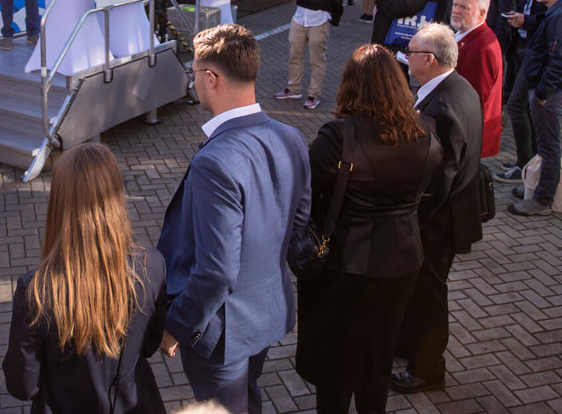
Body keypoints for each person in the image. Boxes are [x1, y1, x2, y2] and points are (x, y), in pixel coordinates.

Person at [157, 24, 310, 414]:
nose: (194, 84)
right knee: (248, 397)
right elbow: (298, 221)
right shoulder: (291, 136)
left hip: (222, 331)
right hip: (267, 312)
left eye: (194, 74)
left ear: (211, 78)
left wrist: (176, 325)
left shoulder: (214, 161)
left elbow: (217, 270)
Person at [296, 45, 441, 414]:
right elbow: (432, 190)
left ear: (350, 84)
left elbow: (304, 194)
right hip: (403, 262)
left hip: (345, 265)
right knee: (378, 358)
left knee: (336, 368)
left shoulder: (338, 136)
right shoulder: (426, 132)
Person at [4, 142, 167, 414]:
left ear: (59, 203)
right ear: (116, 198)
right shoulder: (151, 266)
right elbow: (149, 345)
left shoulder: (36, 290)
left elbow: (23, 385)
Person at [392, 24, 483, 395]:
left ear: (428, 60)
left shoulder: (442, 106)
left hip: (437, 221)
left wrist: (411, 216)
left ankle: (428, 368)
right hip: (446, 214)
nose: (405, 57)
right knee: (421, 291)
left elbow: (439, 179)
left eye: (410, 52)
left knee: (429, 294)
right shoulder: (457, 87)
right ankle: (410, 347)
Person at [508, 0, 562, 216]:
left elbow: (560, 61)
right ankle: (537, 186)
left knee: (549, 146)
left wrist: (542, 92)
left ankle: (542, 199)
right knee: (544, 144)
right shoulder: (557, 11)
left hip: (548, 93)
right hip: (545, 88)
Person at [495, 0, 552, 181]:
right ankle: (527, 159)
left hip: (537, 50)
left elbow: (553, 16)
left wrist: (526, 20)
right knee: (521, 106)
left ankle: (527, 163)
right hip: (522, 44)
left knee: (518, 105)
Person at [451, 0, 503, 158]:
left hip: (466, 136)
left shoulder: (481, 46)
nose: (456, 11)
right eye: (455, 5)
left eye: (464, 8)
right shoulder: (467, 34)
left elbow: (475, 98)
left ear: (481, 14)